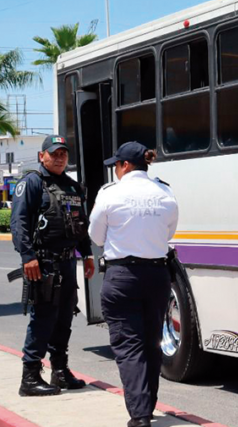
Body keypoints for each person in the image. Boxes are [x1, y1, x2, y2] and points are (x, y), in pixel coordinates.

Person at [89, 142, 179, 427]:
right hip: (157, 276)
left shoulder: (109, 194)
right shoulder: (165, 192)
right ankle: (147, 406)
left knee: (129, 345)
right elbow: (170, 231)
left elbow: (97, 237)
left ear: (124, 166)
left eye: (116, 165)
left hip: (122, 277)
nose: (115, 170)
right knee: (152, 342)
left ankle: (140, 416)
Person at [10, 135, 95, 397]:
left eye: (63, 154)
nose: (59, 158)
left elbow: (80, 223)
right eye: (54, 153)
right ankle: (30, 376)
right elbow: (19, 222)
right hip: (43, 263)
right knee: (43, 318)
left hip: (69, 261)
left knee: (64, 318)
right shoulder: (32, 183)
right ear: (42, 156)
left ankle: (60, 372)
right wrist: (27, 256)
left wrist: (87, 253)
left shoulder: (72, 187)